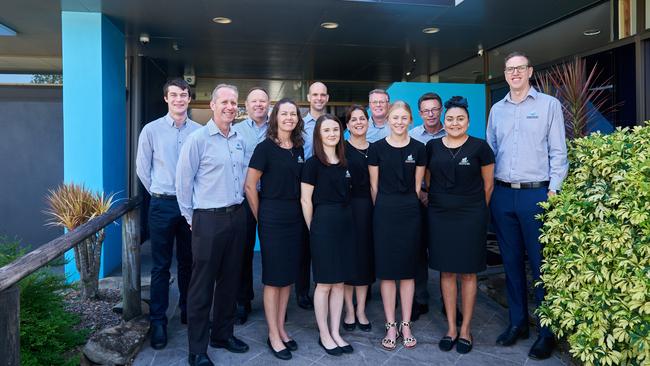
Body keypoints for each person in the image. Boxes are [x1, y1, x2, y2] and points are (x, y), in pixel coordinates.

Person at [486, 51, 568, 360]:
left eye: (520, 68)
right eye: (510, 69)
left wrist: (553, 190)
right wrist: (491, 190)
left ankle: (546, 333)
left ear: (530, 71)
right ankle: (518, 323)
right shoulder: (497, 109)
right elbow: (491, 151)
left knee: (540, 265)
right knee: (510, 263)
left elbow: (559, 152)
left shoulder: (549, 105)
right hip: (504, 194)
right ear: (505, 74)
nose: (515, 73)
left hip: (536, 194)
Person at [176, 84, 250, 366]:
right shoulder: (198, 139)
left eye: (234, 102)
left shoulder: (238, 139)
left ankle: (222, 334)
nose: (231, 107)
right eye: (225, 102)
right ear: (213, 105)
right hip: (207, 219)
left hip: (236, 215)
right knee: (202, 286)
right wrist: (191, 218)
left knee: (230, 280)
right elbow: (182, 184)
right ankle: (197, 349)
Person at [426, 96, 495, 354]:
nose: (455, 123)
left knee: (468, 272)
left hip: (471, 215)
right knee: (446, 271)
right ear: (444, 121)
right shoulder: (432, 146)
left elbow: (488, 185)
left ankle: (465, 329)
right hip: (440, 214)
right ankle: (451, 328)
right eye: (451, 118)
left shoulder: (480, 147)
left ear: (468, 121)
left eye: (460, 118)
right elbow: (429, 179)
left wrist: (476, 210)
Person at [135, 78, 201, 350]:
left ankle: (188, 310)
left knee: (190, 262)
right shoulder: (151, 130)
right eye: (173, 95)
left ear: (188, 98)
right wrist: (160, 193)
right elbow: (142, 168)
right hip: (162, 204)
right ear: (166, 99)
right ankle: (159, 321)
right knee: (161, 266)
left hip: (192, 206)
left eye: (183, 95)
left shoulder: (199, 132)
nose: (179, 99)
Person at [244, 98, 305, 361]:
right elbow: (250, 186)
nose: (289, 118)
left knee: (287, 276)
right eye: (284, 114)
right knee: (273, 277)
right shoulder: (264, 148)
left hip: (295, 216)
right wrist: (261, 217)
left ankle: (281, 328)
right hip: (272, 216)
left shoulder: (299, 148)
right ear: (275, 118)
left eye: (293, 114)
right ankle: (272, 334)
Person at [368, 101, 425, 350]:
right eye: (395, 117)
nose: (399, 122)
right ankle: (390, 324)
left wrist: (406, 205)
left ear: (410, 120)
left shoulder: (420, 148)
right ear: (388, 119)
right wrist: (384, 208)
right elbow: (374, 187)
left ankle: (406, 323)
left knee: (408, 270)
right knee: (388, 271)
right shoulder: (376, 149)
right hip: (384, 213)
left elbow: (417, 186)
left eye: (404, 118)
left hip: (410, 212)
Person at [300, 114, 355, 356]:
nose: (332, 133)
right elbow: (305, 199)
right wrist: (314, 229)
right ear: (319, 135)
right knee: (324, 284)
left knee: (340, 283)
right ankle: (324, 334)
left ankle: (336, 331)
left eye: (335, 129)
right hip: (322, 226)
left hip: (345, 226)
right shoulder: (312, 164)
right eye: (327, 130)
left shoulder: (346, 162)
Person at [232, 87, 270, 325]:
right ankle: (242, 300)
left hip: (272, 198)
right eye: (254, 101)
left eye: (263, 101)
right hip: (244, 198)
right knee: (242, 251)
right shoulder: (236, 130)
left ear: (268, 104)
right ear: (246, 105)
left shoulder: (277, 128)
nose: (259, 104)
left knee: (273, 251)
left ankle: (274, 302)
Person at [408, 92, 446, 322]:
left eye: (435, 109)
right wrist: (421, 193)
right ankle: (420, 298)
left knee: (445, 253)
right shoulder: (412, 136)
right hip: (418, 200)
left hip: (444, 202)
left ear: (440, 109)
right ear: (419, 113)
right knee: (417, 251)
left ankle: (448, 301)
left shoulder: (452, 131)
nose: (431, 114)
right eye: (426, 110)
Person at [294, 82, 329, 310]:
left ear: (327, 97)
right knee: (303, 243)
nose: (318, 98)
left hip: (327, 189)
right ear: (308, 97)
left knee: (324, 241)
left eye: (322, 94)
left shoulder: (333, 123)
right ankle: (302, 291)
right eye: (314, 94)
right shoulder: (300, 124)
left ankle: (323, 285)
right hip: (304, 187)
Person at [342, 105, 374, 333]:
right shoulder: (340, 149)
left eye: (362, 118)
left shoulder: (377, 149)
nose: (358, 122)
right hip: (345, 209)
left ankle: (361, 309)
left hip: (370, 210)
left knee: (364, 261)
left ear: (368, 122)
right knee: (347, 260)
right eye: (353, 119)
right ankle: (349, 310)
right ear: (347, 125)